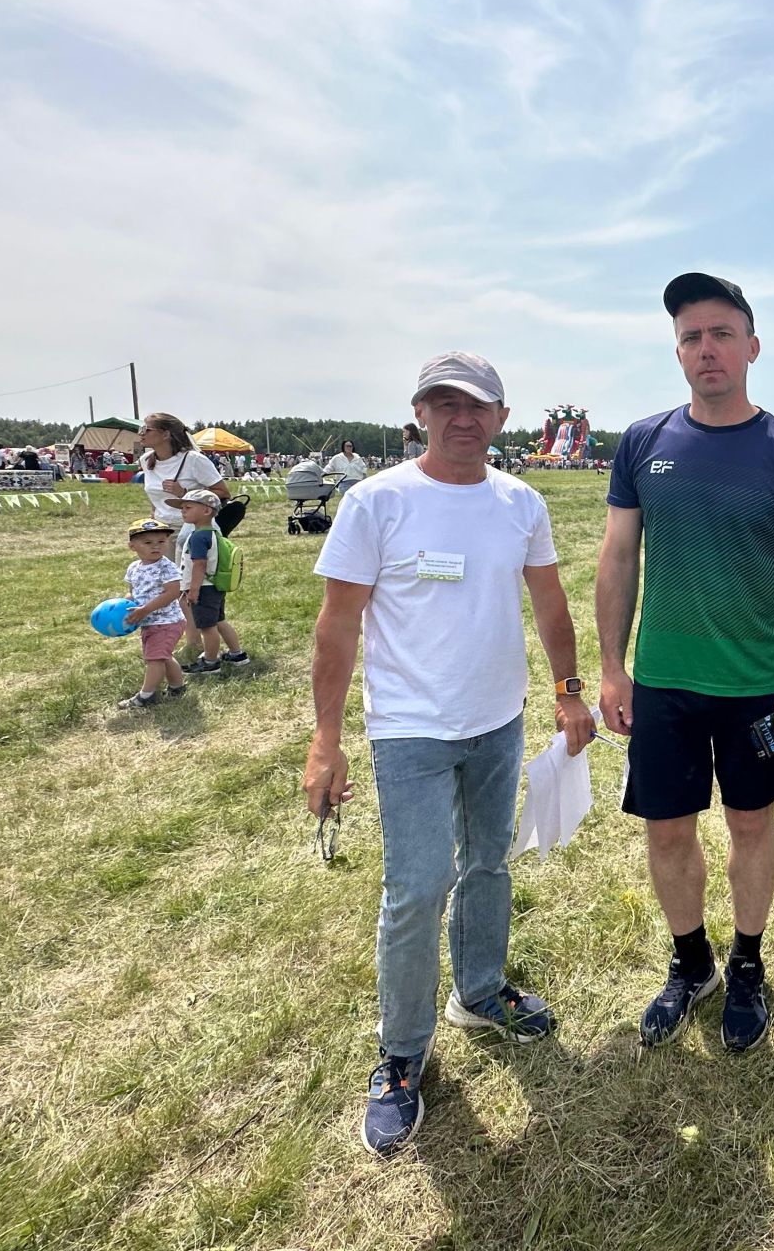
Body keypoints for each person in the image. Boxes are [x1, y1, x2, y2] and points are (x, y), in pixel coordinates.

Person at [303, 350, 595, 1157]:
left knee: (489, 863)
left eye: (478, 406)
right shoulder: (376, 501)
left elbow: (549, 601)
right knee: (418, 884)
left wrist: (568, 689)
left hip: (497, 721)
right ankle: (401, 1051)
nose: (462, 418)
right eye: (445, 403)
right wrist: (325, 740)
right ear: (420, 413)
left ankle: (479, 991)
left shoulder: (521, 502)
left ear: (502, 418)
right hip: (409, 731)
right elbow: (336, 625)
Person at [595, 272, 774, 1057]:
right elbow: (618, 556)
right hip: (664, 683)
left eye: (721, 334)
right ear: (678, 352)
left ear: (752, 346)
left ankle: (746, 963)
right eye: (691, 337)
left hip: (757, 687)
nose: (707, 349)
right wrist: (611, 666)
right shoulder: (643, 442)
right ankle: (691, 963)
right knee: (667, 831)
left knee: (749, 823)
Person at [174, 490, 251, 673]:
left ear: (207, 511)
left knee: (207, 627)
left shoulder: (199, 537)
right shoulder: (213, 533)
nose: (183, 511)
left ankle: (210, 662)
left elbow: (199, 565)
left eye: (188, 507)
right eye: (182, 508)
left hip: (203, 588)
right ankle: (237, 654)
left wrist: (193, 591)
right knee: (219, 620)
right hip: (214, 586)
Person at [117, 520, 189, 711]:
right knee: (163, 656)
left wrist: (145, 609)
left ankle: (146, 695)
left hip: (168, 621)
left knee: (154, 659)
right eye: (148, 543)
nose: (156, 546)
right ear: (132, 547)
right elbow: (133, 591)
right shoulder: (134, 568)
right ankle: (177, 687)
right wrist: (127, 603)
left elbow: (172, 593)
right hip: (150, 622)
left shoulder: (166, 567)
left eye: (161, 541)